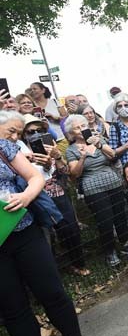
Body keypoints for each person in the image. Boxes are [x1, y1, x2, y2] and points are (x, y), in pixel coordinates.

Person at [0, 111, 101, 336]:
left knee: (51, 290)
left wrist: (25, 197)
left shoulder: (4, 146)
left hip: (23, 229)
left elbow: (35, 178)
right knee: (13, 307)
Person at [21, 115, 90, 276]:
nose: (36, 134)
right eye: (31, 132)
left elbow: (65, 172)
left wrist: (57, 157)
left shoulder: (51, 146)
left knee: (70, 229)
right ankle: (52, 272)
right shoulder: (20, 152)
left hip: (58, 193)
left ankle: (77, 264)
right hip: (37, 197)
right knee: (46, 237)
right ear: (24, 134)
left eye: (40, 130)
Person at [65, 114, 128, 268]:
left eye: (83, 126)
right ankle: (110, 251)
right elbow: (75, 173)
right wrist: (83, 157)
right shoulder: (71, 150)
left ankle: (125, 242)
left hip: (113, 181)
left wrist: (99, 144)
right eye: (77, 128)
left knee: (120, 214)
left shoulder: (99, 140)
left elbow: (113, 155)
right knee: (104, 220)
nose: (81, 129)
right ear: (71, 133)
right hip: (93, 188)